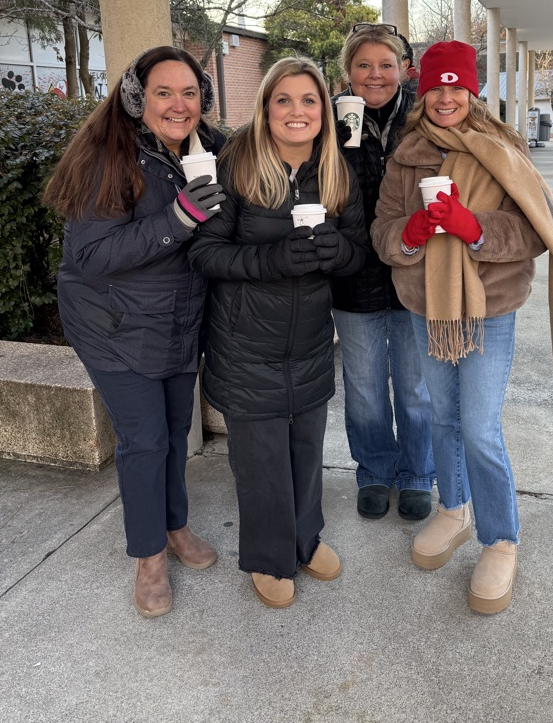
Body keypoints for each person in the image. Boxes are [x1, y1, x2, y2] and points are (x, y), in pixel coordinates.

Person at [371, 40, 553, 614]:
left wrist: (472, 228)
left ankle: (500, 537)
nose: (446, 97)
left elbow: (532, 233)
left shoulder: (503, 150)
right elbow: (382, 232)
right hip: (427, 308)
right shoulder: (407, 153)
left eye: (456, 87)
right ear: (423, 91)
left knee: (480, 428)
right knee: (442, 416)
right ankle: (453, 508)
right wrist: (414, 233)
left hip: (488, 311)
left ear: (472, 91)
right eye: (436, 87)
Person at [43, 46, 227, 619]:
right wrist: (179, 220)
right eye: (164, 92)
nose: (179, 105)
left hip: (176, 319)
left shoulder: (206, 152)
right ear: (135, 98)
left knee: (176, 429)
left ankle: (173, 526)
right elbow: (93, 256)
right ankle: (148, 557)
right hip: (112, 324)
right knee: (145, 438)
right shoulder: (110, 157)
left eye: (190, 93)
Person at [188, 57, 368, 609]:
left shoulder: (337, 170)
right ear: (266, 108)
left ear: (324, 110)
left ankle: (305, 538)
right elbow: (204, 251)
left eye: (309, 100)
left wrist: (341, 252)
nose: (297, 111)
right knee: (261, 456)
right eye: (283, 100)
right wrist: (271, 259)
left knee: (306, 446)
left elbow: (359, 251)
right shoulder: (236, 162)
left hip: (311, 339)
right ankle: (269, 556)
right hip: (246, 342)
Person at [331, 23, 435, 522]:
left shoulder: (425, 117)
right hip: (353, 274)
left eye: (386, 65)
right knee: (366, 388)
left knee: (415, 387)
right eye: (363, 65)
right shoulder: (327, 124)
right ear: (347, 73)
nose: (375, 75)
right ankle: (373, 470)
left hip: (414, 270)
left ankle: (418, 473)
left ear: (404, 70)